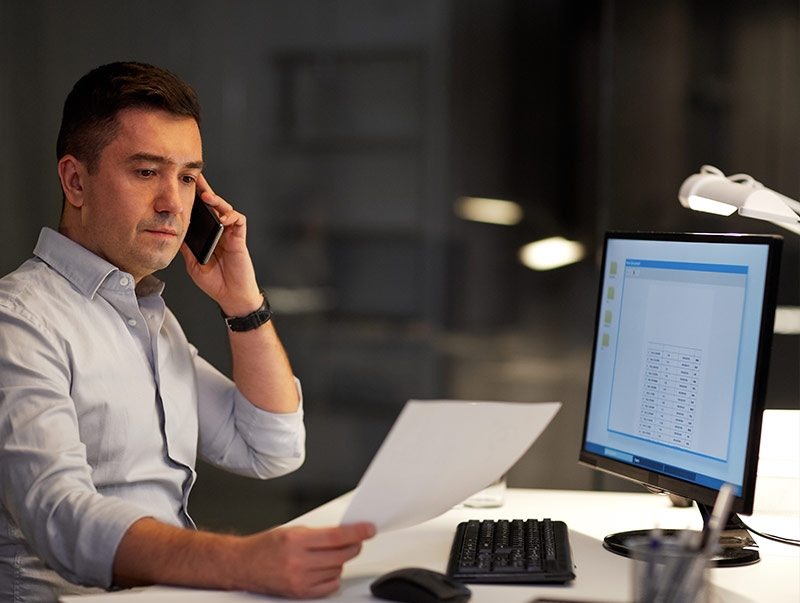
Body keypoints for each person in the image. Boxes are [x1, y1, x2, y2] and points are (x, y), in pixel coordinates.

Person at [0, 61, 375, 602]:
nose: (173, 204)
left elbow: (270, 447)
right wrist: (243, 561)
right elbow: (62, 519)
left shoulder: (148, 317)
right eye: (146, 172)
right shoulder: (20, 322)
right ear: (76, 180)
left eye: (186, 177)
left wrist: (242, 302)